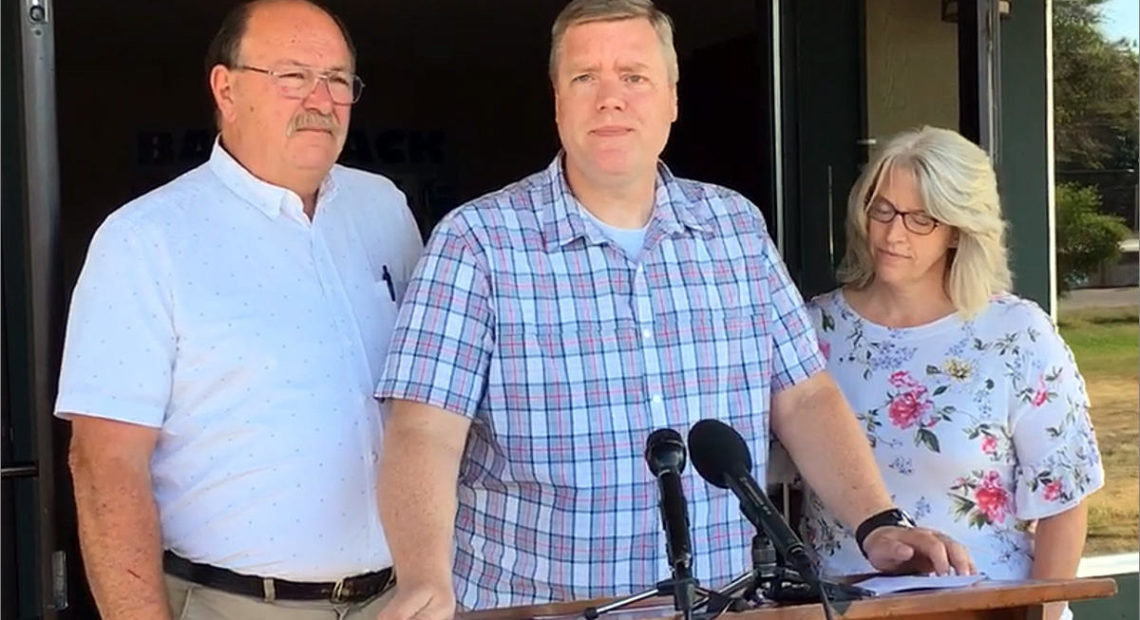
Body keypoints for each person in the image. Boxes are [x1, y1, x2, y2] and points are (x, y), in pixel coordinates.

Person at [373, 2, 973, 618]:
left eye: (634, 77)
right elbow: (424, 430)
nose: (611, 99)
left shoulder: (735, 226)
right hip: (543, 607)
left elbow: (803, 397)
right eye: (586, 78)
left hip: (718, 605)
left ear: (672, 100)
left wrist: (878, 522)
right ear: (558, 102)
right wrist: (424, 576)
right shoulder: (476, 241)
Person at [57, 1, 422, 618]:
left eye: (338, 79)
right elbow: (104, 466)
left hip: (398, 598)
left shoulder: (383, 208)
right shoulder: (145, 239)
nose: (320, 98)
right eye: (292, 76)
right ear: (225, 88)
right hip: (234, 603)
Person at [796, 126, 1104, 620]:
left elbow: (1063, 501)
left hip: (992, 609)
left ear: (958, 229)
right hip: (842, 610)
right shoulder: (813, 329)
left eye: (922, 219)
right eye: (882, 209)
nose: (893, 234)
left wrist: (1043, 614)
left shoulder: (1016, 333)